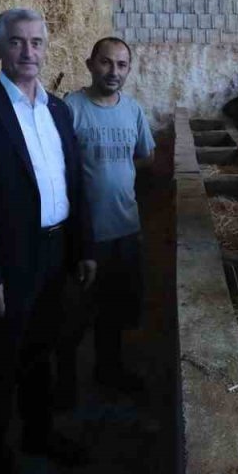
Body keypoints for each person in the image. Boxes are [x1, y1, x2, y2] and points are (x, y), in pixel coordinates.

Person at [0, 8, 96, 474]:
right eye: (16, 42)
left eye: (36, 42)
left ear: (46, 47)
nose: (28, 52)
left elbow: (74, 182)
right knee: (2, 357)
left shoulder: (58, 109)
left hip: (55, 251)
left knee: (43, 348)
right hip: (8, 260)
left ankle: (38, 433)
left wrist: (84, 246)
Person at [60, 37, 155, 395]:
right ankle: (65, 384)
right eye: (105, 62)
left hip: (125, 229)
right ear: (89, 64)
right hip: (85, 235)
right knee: (73, 314)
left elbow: (146, 156)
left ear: (128, 69)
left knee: (115, 310)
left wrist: (116, 174)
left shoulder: (132, 110)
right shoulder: (70, 107)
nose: (113, 71)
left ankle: (108, 371)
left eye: (121, 65)